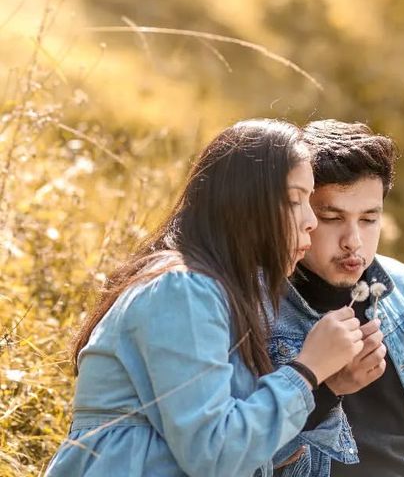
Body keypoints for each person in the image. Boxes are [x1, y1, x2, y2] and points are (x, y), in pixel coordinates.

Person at [46, 119, 364, 477]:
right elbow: (214, 453)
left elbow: (225, 448)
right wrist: (307, 369)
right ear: (244, 204)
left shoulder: (218, 296)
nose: (310, 221)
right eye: (295, 200)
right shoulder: (181, 289)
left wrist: (325, 386)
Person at [271, 119, 404, 477]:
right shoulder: (254, 308)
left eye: (369, 220)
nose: (353, 240)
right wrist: (324, 389)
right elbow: (234, 456)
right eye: (332, 217)